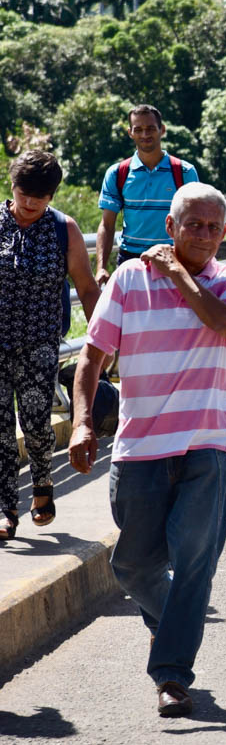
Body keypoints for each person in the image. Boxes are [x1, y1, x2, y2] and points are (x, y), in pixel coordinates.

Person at [69, 182, 226, 716]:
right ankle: (174, 624)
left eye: (216, 227)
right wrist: (83, 424)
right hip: (139, 448)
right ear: (169, 228)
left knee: (196, 563)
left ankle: (171, 676)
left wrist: (176, 274)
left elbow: (223, 324)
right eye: (194, 224)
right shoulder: (128, 278)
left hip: (208, 446)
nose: (206, 236)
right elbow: (91, 359)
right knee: (132, 565)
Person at [0, 152, 100, 538]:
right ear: (13, 187)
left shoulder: (64, 229)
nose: (30, 204)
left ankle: (42, 484)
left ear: (52, 195)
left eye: (40, 198)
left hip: (39, 341)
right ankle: (7, 507)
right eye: (25, 194)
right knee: (0, 428)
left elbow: (87, 287)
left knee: (37, 419)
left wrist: (103, 336)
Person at [95, 104, 199, 287]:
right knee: (130, 316)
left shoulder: (184, 172)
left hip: (174, 258)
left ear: (162, 130)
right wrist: (101, 267)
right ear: (130, 133)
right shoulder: (117, 173)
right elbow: (107, 224)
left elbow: (196, 220)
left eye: (151, 128)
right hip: (130, 259)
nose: (145, 135)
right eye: (139, 129)